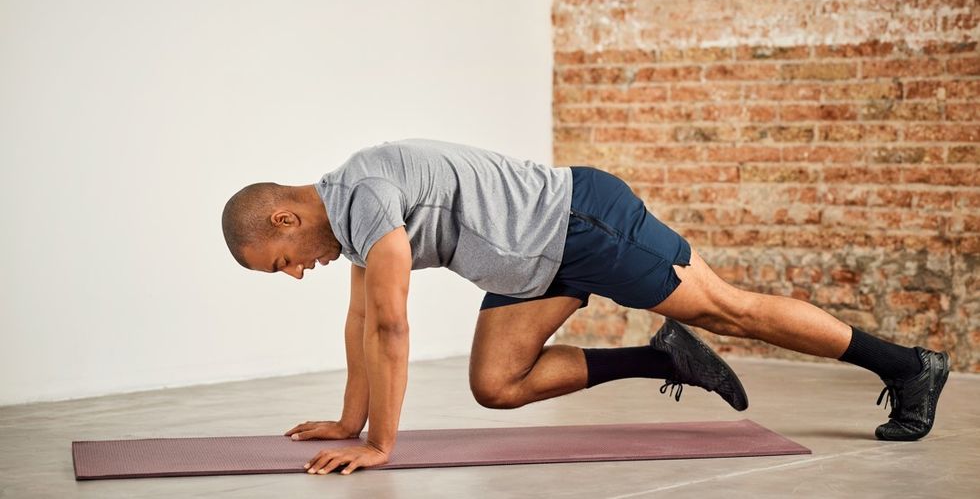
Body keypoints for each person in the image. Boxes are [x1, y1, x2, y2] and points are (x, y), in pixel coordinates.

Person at [221, 138, 950, 476]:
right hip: (529, 261)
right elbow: (360, 323)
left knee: (730, 310)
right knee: (496, 383)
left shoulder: (366, 194)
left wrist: (381, 444)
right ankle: (663, 358)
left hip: (579, 221)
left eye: (283, 261)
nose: (296, 273)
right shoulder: (351, 216)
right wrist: (349, 422)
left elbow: (390, 325)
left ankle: (908, 366)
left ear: (285, 219)